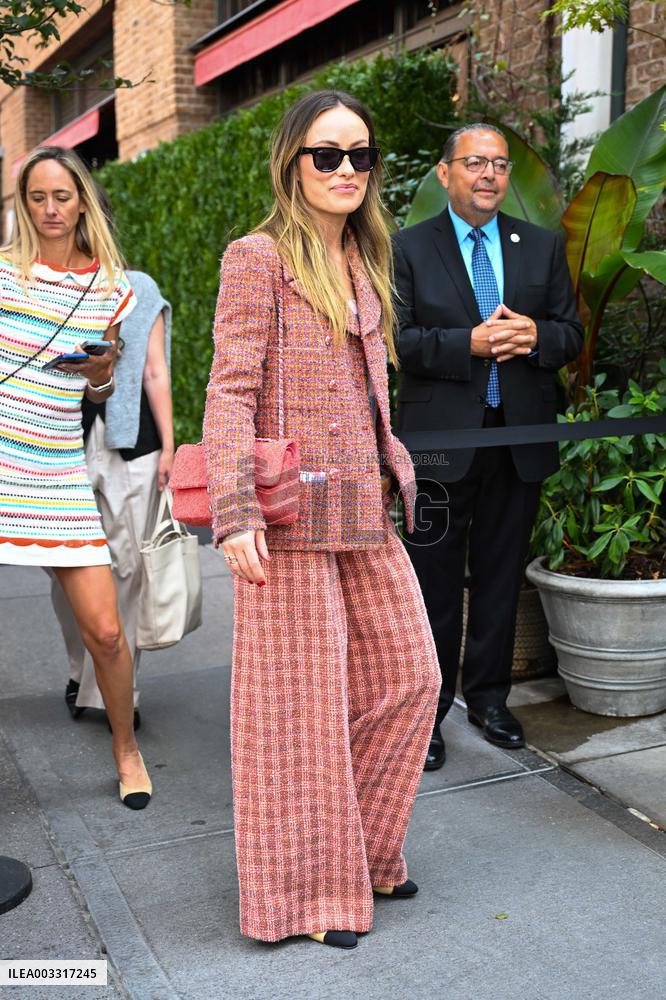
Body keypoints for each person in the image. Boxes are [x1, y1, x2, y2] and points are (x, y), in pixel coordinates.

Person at [202, 90, 440, 950]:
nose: (346, 170)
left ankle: (365, 849)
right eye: (326, 155)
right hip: (290, 513)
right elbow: (229, 389)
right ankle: (305, 900)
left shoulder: (366, 258)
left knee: (411, 677)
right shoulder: (257, 257)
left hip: (366, 510)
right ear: (293, 163)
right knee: (295, 714)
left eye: (360, 156)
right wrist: (232, 512)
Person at [393, 123, 583, 770]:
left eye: (499, 164)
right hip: (441, 442)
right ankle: (431, 710)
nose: (489, 175)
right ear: (444, 174)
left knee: (502, 575)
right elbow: (398, 342)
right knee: (434, 581)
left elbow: (571, 336)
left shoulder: (540, 246)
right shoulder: (407, 248)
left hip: (518, 436)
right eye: (475, 162)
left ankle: (490, 700)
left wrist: (534, 336)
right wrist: (465, 345)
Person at [0, 145, 152, 809]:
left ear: (82, 200)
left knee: (107, 631)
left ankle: (126, 749)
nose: (52, 209)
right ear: (23, 204)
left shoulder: (115, 289)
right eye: (39, 197)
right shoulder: (3, 275)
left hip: (58, 468)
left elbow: (100, 396)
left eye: (63, 196)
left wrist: (99, 375)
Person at [51, 206, 173, 725]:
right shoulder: (43, 292)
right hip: (58, 443)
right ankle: (82, 668)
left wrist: (170, 446)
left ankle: (117, 690)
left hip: (131, 443)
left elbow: (154, 370)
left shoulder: (139, 288)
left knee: (125, 568)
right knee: (65, 572)